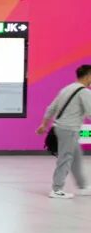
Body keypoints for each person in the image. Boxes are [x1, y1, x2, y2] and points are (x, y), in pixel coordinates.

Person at [36, 64, 91, 198]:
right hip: (69, 129)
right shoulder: (84, 92)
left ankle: (83, 186)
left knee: (76, 157)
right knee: (65, 158)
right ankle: (57, 189)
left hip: (60, 127)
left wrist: (44, 124)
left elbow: (51, 108)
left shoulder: (67, 89)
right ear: (88, 76)